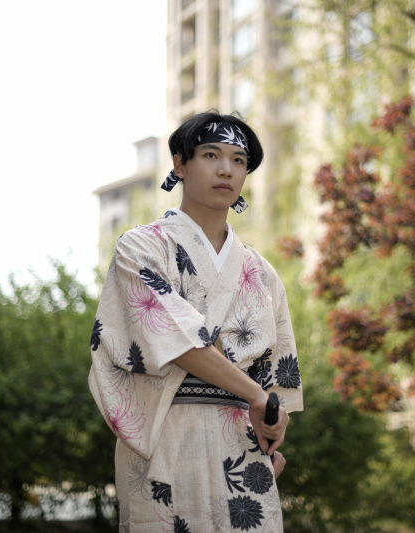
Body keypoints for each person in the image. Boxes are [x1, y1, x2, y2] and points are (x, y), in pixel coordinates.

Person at [89, 112, 303, 532]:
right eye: (211, 155)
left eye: (239, 160)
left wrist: (274, 430)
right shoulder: (141, 248)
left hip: (243, 450)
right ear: (180, 164)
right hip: (164, 438)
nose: (227, 169)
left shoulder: (261, 272)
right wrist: (256, 396)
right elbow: (178, 339)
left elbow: (276, 384)